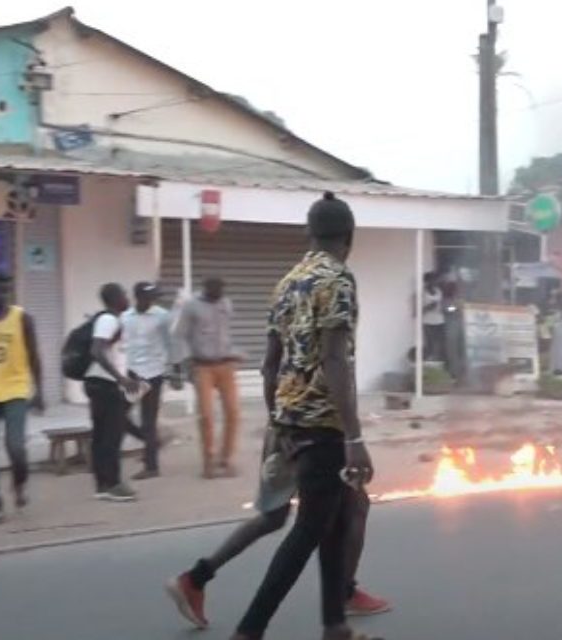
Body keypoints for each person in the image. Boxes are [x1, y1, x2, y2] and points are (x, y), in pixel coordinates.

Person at [167, 194, 389, 634]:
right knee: (308, 529)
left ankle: (335, 625)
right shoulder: (338, 280)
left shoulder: (288, 282)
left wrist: (277, 420)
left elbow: (270, 363)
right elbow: (335, 359)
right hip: (322, 424)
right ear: (349, 238)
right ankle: (250, 629)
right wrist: (354, 437)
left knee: (337, 516)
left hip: (289, 419)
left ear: (310, 234)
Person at [0, 273, 44, 528]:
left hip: (15, 391)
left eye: (6, 291)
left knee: (16, 448)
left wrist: (40, 392)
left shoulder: (22, 318)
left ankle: (19, 484)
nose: (2, 296)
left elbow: (34, 356)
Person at [175, 277, 242, 478]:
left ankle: (226, 458)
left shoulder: (225, 304)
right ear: (207, 289)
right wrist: (185, 363)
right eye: (217, 290)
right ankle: (208, 460)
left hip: (226, 364)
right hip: (202, 366)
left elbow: (226, 332)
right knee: (206, 416)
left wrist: (233, 352)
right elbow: (180, 335)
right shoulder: (191, 306)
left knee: (233, 413)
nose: (221, 294)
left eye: (222, 290)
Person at [86, 283, 140, 502]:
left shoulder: (112, 320)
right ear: (115, 298)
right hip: (105, 385)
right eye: (124, 294)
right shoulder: (108, 320)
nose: (127, 298)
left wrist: (128, 375)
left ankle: (102, 484)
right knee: (111, 436)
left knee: (101, 437)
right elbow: (97, 351)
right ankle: (113, 484)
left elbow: (112, 353)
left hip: (101, 383)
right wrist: (121, 379)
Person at [121, 282, 179, 480]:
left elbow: (172, 343)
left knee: (149, 420)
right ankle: (150, 442)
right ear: (138, 297)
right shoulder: (125, 317)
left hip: (153, 374)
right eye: (148, 297)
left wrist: (176, 370)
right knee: (120, 415)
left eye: (154, 296)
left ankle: (152, 466)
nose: (152, 300)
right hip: (132, 374)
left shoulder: (162, 316)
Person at [421, 272, 445, 362]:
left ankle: (439, 361)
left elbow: (441, 303)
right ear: (426, 281)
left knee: (440, 343)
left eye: (435, 280)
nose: (435, 282)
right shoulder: (423, 293)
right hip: (428, 322)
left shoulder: (438, 291)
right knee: (430, 344)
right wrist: (429, 307)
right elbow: (419, 310)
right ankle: (430, 362)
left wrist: (443, 307)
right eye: (432, 280)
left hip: (440, 320)